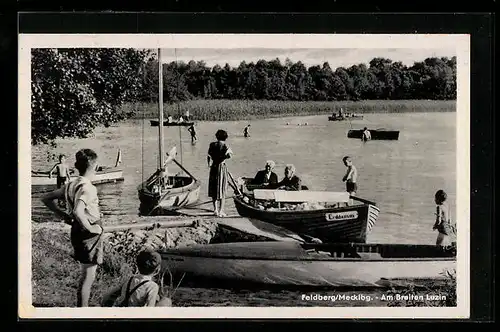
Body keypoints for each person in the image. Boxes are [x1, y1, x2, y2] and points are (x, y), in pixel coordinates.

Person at [42, 149, 104, 307]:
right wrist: (91, 228)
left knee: (86, 273)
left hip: (76, 229)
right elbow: (78, 210)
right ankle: (83, 311)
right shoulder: (88, 187)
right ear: (95, 166)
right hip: (88, 233)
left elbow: (46, 198)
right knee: (88, 276)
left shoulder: (71, 184)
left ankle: (82, 307)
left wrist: (62, 215)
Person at [102, 250, 171, 307]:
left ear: (137, 266)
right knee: (166, 301)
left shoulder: (129, 280)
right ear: (157, 270)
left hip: (123, 312)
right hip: (137, 316)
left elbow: (108, 295)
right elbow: (150, 307)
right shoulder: (152, 286)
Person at [207, 129, 233, 217]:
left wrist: (209, 165)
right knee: (222, 188)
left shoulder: (212, 145)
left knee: (214, 188)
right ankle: (221, 210)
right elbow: (229, 155)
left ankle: (215, 210)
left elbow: (209, 156)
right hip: (221, 167)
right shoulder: (225, 145)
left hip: (214, 167)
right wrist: (223, 157)